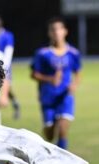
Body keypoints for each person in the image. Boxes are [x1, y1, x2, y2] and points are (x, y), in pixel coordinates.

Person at [31, 17, 81, 150]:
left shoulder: (73, 53)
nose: (56, 32)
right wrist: (50, 79)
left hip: (65, 97)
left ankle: (62, 161)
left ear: (65, 31)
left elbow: (78, 72)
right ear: (49, 33)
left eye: (59, 29)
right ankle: (48, 128)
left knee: (63, 129)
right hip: (48, 97)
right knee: (50, 134)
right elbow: (34, 74)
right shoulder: (42, 54)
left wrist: (74, 85)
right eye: (53, 30)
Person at [0, 15, 21, 120]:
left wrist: (4, 66)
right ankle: (14, 102)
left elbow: (9, 51)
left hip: (3, 66)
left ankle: (9, 103)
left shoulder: (7, 35)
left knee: (5, 87)